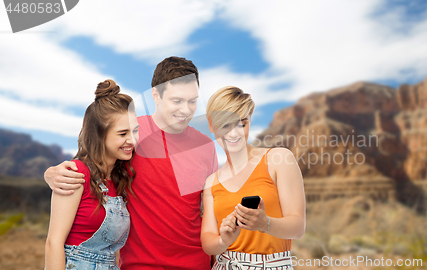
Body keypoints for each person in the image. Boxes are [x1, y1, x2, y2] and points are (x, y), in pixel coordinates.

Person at [44, 57, 218, 269]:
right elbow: (93, 159)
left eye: (192, 101)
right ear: (156, 95)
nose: (186, 109)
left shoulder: (206, 146)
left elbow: (210, 211)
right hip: (141, 265)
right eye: (177, 101)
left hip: (196, 263)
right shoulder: (131, 134)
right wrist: (51, 173)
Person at [201, 86, 306, 269]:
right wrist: (223, 241)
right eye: (225, 124)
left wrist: (265, 223)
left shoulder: (278, 159)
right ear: (211, 125)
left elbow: (298, 227)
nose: (234, 133)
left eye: (242, 123)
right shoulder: (211, 182)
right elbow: (208, 241)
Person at [45, 79, 139, 270]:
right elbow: (53, 243)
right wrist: (48, 172)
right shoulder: (76, 174)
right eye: (122, 134)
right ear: (100, 135)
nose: (132, 140)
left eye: (135, 131)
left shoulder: (120, 177)